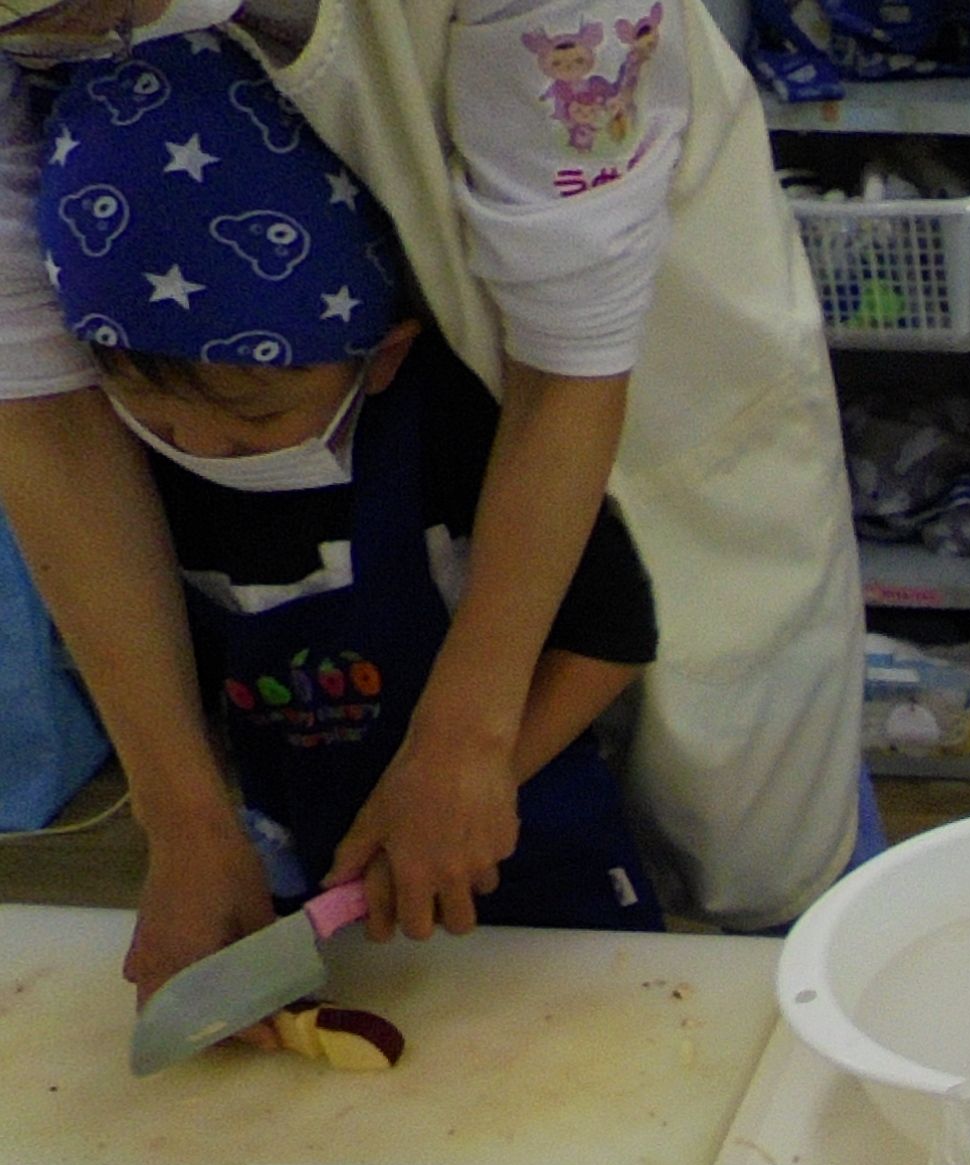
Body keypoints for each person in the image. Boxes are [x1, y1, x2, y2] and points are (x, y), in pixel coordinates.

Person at [0, 0, 871, 1006]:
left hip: (632, 374)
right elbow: (40, 406)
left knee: (766, 865)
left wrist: (468, 744)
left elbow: (571, 366)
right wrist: (184, 818)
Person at [37, 34, 664, 943]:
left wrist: (469, 771)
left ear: (384, 354)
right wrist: (191, 826)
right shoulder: (121, 481)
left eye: (254, 422)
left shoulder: (461, 428)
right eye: (151, 409)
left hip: (532, 854)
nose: (202, 447)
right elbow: (157, 676)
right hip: (306, 873)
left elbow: (611, 631)